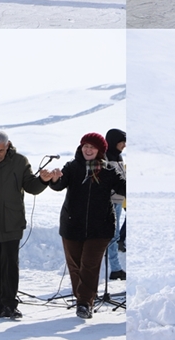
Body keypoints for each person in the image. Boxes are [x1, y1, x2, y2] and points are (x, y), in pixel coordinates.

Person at [0, 130, 56, 319]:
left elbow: (31, 187)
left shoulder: (20, 162)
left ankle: (10, 304)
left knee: (9, 263)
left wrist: (42, 180)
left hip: (11, 222)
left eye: (0, 150)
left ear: (7, 146)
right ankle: (0, 302)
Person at [47, 132, 126, 320]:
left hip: (100, 228)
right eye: (85, 146)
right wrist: (55, 179)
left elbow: (123, 187)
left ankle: (84, 303)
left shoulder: (108, 171)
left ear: (100, 150)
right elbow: (59, 185)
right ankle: (83, 297)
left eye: (92, 147)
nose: (88, 150)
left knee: (89, 265)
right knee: (75, 266)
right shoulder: (72, 167)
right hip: (72, 225)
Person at [105, 128, 126, 280]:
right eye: (122, 141)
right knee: (112, 235)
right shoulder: (104, 157)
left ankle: (115, 268)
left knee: (115, 235)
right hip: (109, 201)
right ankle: (114, 268)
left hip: (118, 200)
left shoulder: (118, 156)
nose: (124, 145)